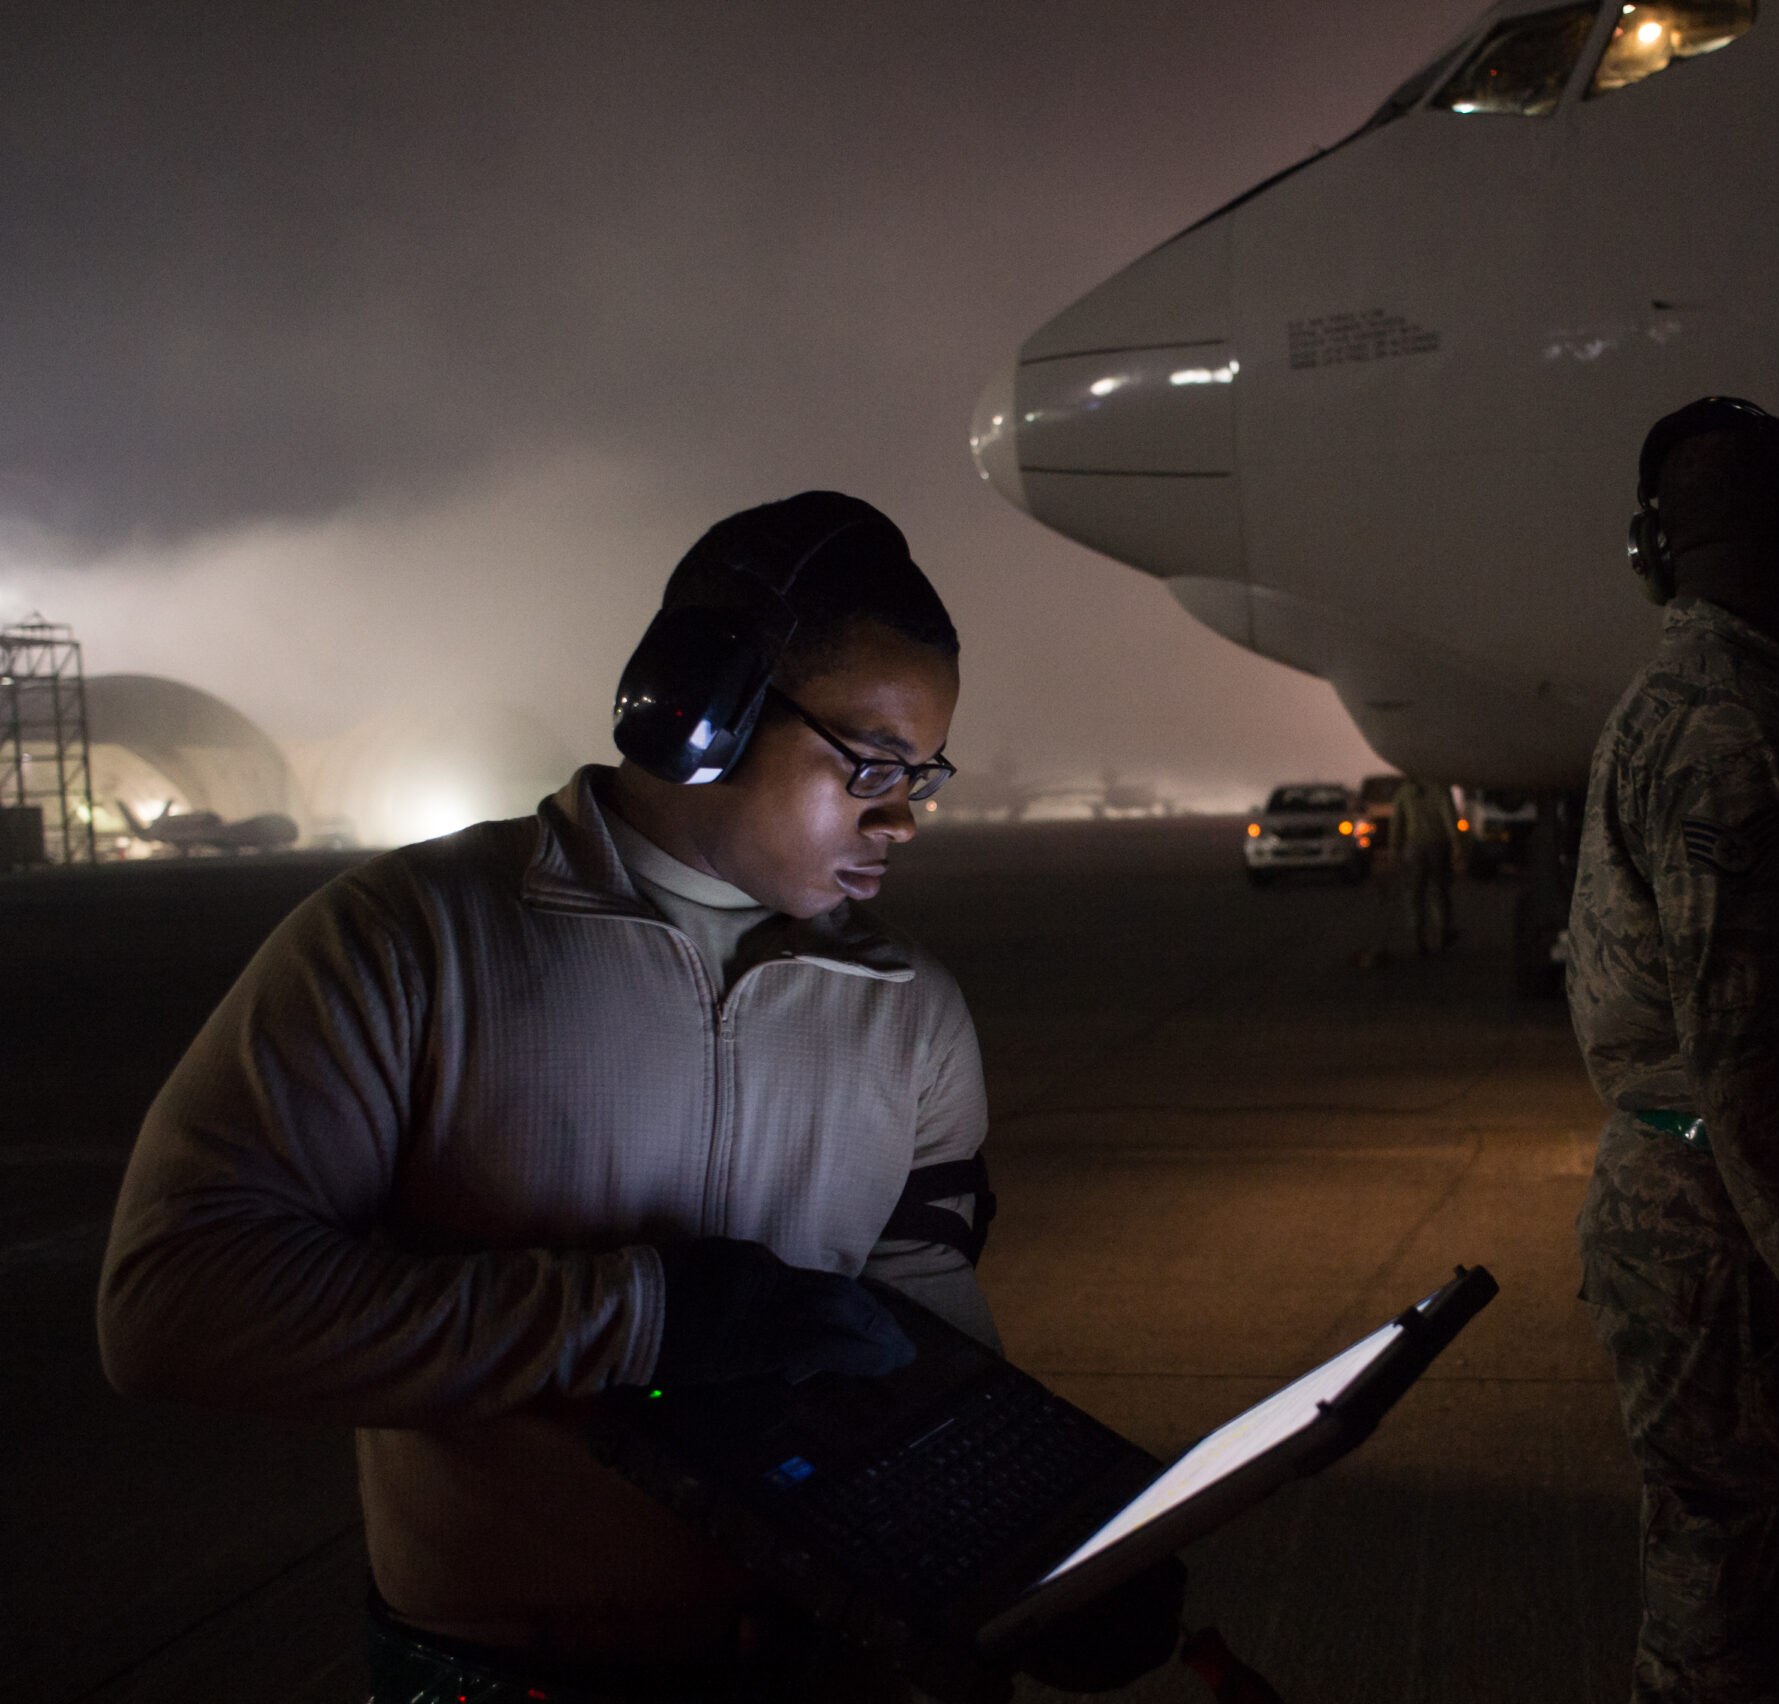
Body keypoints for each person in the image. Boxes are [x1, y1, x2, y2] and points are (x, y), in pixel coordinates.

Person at [96, 493, 1176, 1701]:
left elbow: (921, 1317)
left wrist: (1030, 1545)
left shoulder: (909, 1007)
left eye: (922, 773)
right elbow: (170, 1306)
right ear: (696, 714)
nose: (903, 818)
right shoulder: (403, 944)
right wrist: (640, 1319)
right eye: (870, 764)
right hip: (505, 1675)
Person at [1568, 398, 1779, 1703]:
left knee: (1736, 1583)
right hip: (1733, 1240)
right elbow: (1750, 1070)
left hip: (1692, 1214)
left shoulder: (1697, 698)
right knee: (1741, 1620)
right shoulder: (1731, 732)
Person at [1388, 774, 1461, 956]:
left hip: (1413, 847)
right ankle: (1443, 930)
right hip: (1438, 845)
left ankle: (1418, 935)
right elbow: (1449, 818)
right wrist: (1456, 844)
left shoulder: (1404, 792)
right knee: (1439, 889)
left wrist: (1394, 848)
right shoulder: (1440, 789)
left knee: (1414, 893)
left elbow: (1397, 823)